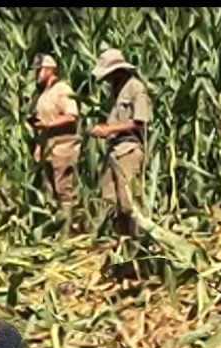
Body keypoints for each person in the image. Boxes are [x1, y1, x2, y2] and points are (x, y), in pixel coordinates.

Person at [89, 48, 151, 238]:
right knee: (111, 200)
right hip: (114, 150)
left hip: (129, 150)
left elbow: (140, 122)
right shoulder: (115, 91)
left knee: (130, 201)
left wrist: (109, 130)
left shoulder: (136, 88)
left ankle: (138, 242)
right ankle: (120, 241)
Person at [28, 53, 81, 213]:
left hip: (63, 145)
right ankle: (54, 227)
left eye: (40, 70)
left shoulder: (62, 89)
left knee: (63, 189)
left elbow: (72, 115)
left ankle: (66, 228)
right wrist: (38, 147)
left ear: (51, 69)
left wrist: (49, 124)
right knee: (49, 190)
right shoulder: (43, 94)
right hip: (48, 147)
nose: (37, 74)